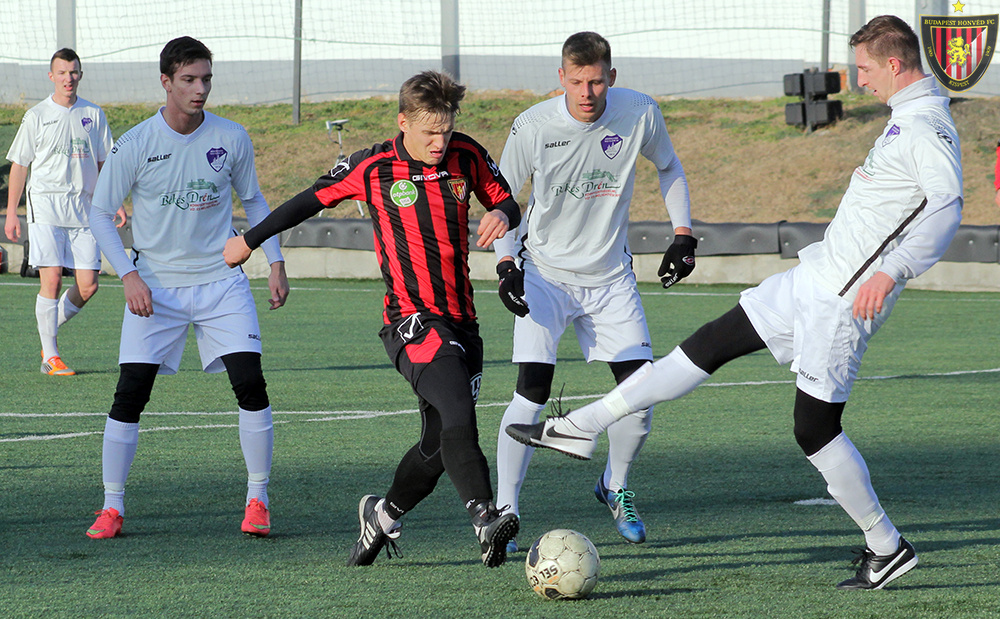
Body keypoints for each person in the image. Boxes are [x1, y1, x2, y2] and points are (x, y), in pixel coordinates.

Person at [506, 15, 961, 590]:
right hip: (817, 277)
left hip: (844, 299)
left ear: (894, 64)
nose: (861, 80)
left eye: (866, 70)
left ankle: (885, 544)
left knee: (814, 429)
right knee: (709, 342)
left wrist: (892, 271)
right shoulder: (907, 118)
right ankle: (580, 425)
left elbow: (947, 207)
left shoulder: (927, 126)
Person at [224, 70, 522, 568]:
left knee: (435, 445)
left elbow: (505, 199)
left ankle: (381, 515)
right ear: (402, 121)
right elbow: (307, 201)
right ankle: (485, 516)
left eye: (446, 129)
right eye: (429, 131)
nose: (439, 141)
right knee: (458, 410)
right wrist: (250, 239)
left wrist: (505, 214)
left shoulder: (466, 154)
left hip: (463, 321)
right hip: (411, 320)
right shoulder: (372, 166)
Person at [491, 31, 696, 548]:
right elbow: (502, 200)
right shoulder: (533, 125)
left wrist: (683, 234)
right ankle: (506, 510)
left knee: (641, 396)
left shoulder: (640, 112)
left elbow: (669, 167)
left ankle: (615, 486)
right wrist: (506, 265)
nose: (587, 92)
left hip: (609, 277)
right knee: (530, 392)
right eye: (577, 81)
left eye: (597, 81)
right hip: (544, 273)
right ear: (561, 77)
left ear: (612, 78)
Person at [84, 36, 289, 540]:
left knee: (250, 384)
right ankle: (112, 507)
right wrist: (129, 276)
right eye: (189, 80)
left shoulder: (232, 137)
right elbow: (98, 214)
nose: (200, 90)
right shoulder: (135, 144)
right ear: (166, 82)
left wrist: (276, 259)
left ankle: (258, 499)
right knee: (130, 393)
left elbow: (255, 201)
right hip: (156, 286)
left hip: (222, 283)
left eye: (206, 79)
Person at [4, 48, 126, 376]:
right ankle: (51, 356)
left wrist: (115, 200)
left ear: (80, 75)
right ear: (51, 76)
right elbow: (19, 165)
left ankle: (48, 334)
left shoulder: (94, 114)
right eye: (61, 73)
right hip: (46, 204)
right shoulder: (37, 115)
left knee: (88, 285)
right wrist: (13, 212)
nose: (68, 78)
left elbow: (105, 162)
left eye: (73, 72)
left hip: (84, 209)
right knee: (53, 278)